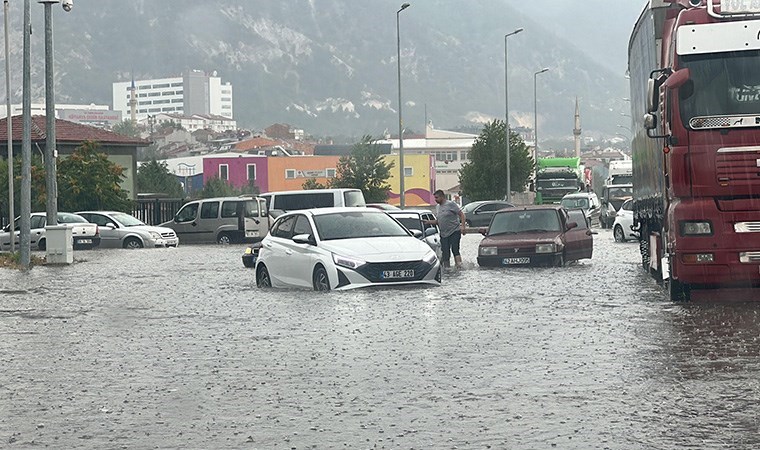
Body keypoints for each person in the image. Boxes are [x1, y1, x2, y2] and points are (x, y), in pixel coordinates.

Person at [424, 190, 466, 268]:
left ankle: (459, 267)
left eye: (436, 198)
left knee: (455, 250)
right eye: (434, 198)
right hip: (444, 234)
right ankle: (447, 269)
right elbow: (438, 221)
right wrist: (428, 222)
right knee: (445, 253)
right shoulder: (437, 207)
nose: (435, 200)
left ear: (442, 197)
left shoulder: (451, 204)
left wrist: (463, 226)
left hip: (454, 231)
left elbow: (462, 214)